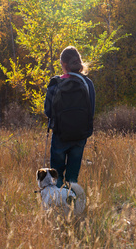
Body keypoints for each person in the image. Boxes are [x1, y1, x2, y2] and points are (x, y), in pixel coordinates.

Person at [44, 46, 95, 188]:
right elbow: (91, 111)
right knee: (72, 177)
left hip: (60, 135)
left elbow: (47, 111)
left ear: (63, 64)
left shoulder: (55, 84)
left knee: (57, 175)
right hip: (80, 135)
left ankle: (58, 204)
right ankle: (73, 204)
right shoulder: (88, 83)